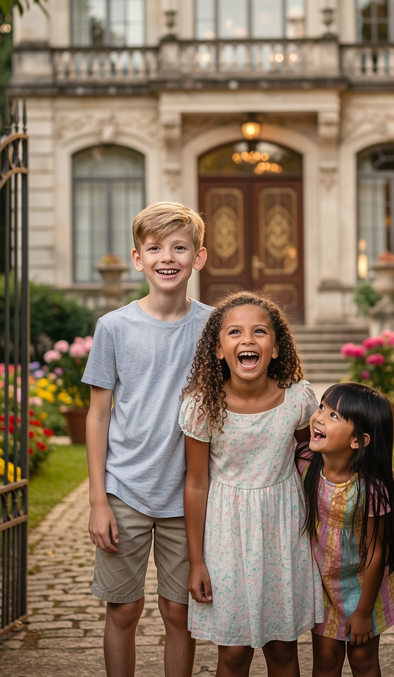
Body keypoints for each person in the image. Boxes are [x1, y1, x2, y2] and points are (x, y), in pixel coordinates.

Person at [82, 201, 210, 677]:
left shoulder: (215, 326)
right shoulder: (114, 327)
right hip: (126, 491)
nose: (167, 257)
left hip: (188, 495)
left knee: (180, 612)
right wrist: (99, 500)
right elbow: (98, 416)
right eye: (154, 248)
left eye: (179, 247)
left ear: (198, 257)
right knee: (124, 609)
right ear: (138, 258)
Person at [181, 291, 323, 677]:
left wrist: (378, 475)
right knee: (233, 653)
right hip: (228, 535)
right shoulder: (201, 406)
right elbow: (195, 483)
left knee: (282, 648)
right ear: (217, 349)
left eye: (259, 332)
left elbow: (317, 456)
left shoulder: (298, 400)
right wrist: (196, 561)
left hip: (283, 531)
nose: (247, 340)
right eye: (235, 333)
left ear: (275, 349)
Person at [298, 382, 394, 677]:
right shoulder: (305, 462)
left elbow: (376, 551)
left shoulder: (370, 488)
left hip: (363, 586)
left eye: (334, 416)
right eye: (322, 407)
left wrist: (363, 611)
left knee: (363, 660)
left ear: (358, 441)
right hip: (323, 583)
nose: (319, 417)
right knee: (325, 660)